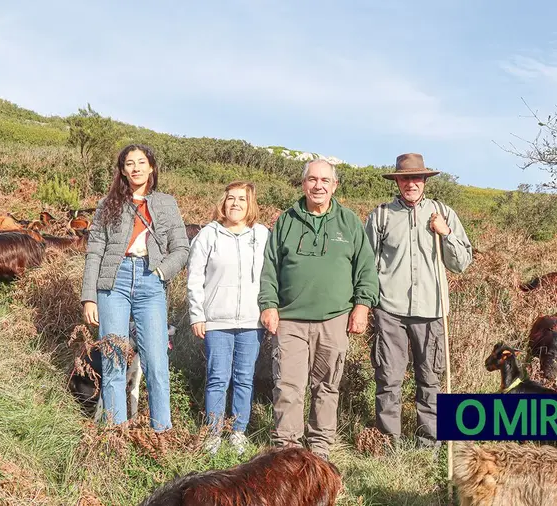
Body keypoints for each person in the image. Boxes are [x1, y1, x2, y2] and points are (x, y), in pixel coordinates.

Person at [258, 158, 379, 461]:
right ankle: (287, 448)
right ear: (303, 184)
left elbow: (365, 269)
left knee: (327, 385)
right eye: (312, 179)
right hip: (290, 319)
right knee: (288, 385)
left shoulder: (349, 222)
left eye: (325, 180)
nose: (318, 185)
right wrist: (269, 305)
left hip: (334, 318)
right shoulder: (286, 220)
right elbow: (270, 268)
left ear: (334, 185)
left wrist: (362, 306)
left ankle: (321, 446)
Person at [363, 152, 473, 451]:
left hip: (432, 309)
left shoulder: (443, 213)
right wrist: (367, 304)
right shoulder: (381, 216)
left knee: (430, 380)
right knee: (388, 378)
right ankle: (388, 444)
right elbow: (365, 264)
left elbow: (461, 263)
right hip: (390, 311)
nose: (410, 183)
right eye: (405, 178)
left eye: (416, 178)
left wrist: (446, 233)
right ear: (397, 182)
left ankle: (429, 443)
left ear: (425, 181)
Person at [80, 143, 190, 433]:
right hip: (112, 282)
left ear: (151, 167)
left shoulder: (166, 203)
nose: (136, 168)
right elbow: (94, 252)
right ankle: (116, 435)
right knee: (113, 360)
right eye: (130, 163)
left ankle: (161, 435)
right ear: (122, 170)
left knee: (156, 363)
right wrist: (89, 298)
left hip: (150, 281)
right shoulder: (108, 204)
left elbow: (181, 249)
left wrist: (160, 272)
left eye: (141, 162)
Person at [186, 181, 269, 455]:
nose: (235, 204)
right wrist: (198, 315)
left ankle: (238, 431)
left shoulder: (261, 235)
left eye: (242, 199)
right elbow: (195, 278)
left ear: (250, 204)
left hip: (251, 321)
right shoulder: (208, 235)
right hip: (217, 321)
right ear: (223, 202)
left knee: (245, 377)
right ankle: (212, 433)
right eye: (231, 198)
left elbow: (270, 277)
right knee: (217, 377)